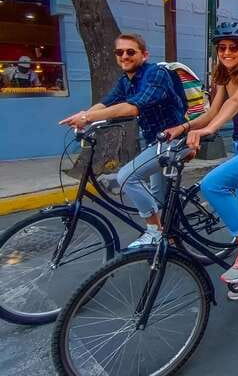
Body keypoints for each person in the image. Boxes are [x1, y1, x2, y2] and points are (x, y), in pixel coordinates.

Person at [165, 22, 238, 291]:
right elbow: (210, 112)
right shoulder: (224, 77)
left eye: (233, 48)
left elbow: (235, 103)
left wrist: (210, 130)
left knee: (213, 184)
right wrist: (184, 128)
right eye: (222, 48)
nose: (227, 52)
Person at [60, 33, 186, 247]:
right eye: (119, 52)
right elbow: (107, 103)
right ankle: (170, 232)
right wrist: (85, 117)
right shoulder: (125, 81)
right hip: (153, 142)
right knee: (157, 194)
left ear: (144, 55)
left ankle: (155, 232)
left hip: (174, 139)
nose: (124, 56)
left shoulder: (156, 74)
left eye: (130, 52)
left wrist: (88, 117)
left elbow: (134, 106)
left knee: (127, 177)